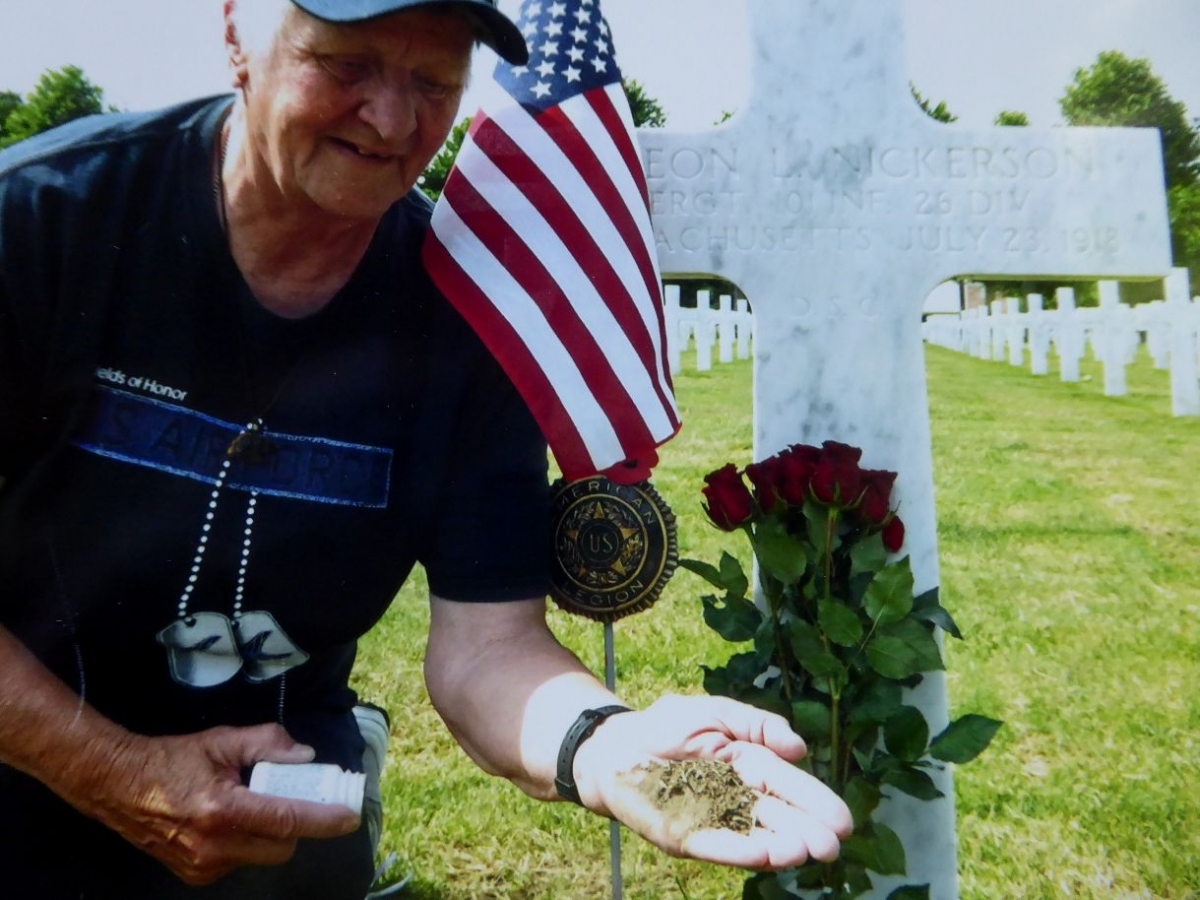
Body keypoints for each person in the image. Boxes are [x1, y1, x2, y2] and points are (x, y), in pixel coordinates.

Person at [0, 1, 852, 897]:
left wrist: (606, 746)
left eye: (435, 81)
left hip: (281, 810)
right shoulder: (44, 224)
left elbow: (488, 647)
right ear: (236, 32)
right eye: (346, 64)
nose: (391, 120)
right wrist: (116, 771)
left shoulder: (469, 310)